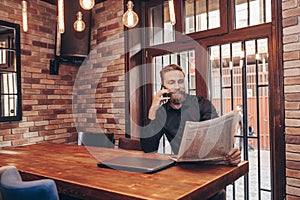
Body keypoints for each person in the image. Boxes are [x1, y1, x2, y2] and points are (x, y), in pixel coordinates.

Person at [140, 64, 241, 200]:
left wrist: (231, 154)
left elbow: (218, 136)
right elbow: (148, 148)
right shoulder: (162, 112)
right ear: (163, 88)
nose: (177, 86)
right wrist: (152, 111)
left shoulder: (201, 104)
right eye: (171, 82)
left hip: (208, 171)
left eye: (180, 81)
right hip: (181, 174)